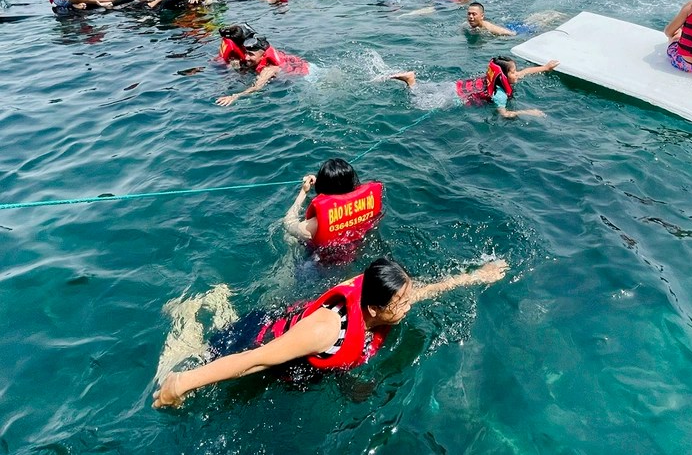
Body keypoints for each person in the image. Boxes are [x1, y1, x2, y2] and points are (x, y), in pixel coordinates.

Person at [152, 257, 509, 408]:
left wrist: (477, 276)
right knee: (199, 353)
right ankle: (190, 311)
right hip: (256, 339)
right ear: (374, 309)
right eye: (400, 303)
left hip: (297, 352)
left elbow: (427, 291)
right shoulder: (327, 328)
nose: (407, 306)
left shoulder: (381, 300)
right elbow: (254, 360)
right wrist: (183, 383)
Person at [389, 56, 559, 119]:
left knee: (425, 89)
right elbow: (505, 114)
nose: (517, 74)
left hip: (454, 86)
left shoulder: (493, 79)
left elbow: (525, 72)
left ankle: (412, 79)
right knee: (420, 105)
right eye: (513, 72)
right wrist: (529, 112)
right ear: (503, 77)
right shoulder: (500, 94)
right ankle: (410, 82)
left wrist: (545, 67)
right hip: (454, 97)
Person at [282, 158, 383, 254]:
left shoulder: (315, 224)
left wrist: (304, 192)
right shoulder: (368, 202)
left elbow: (288, 223)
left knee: (289, 238)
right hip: (358, 250)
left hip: (321, 262)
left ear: (322, 186)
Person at [216, 36, 312, 106]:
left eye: (251, 54)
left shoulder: (269, 69)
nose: (246, 57)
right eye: (246, 53)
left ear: (263, 56)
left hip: (308, 77)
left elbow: (257, 87)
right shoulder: (261, 56)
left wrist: (235, 96)